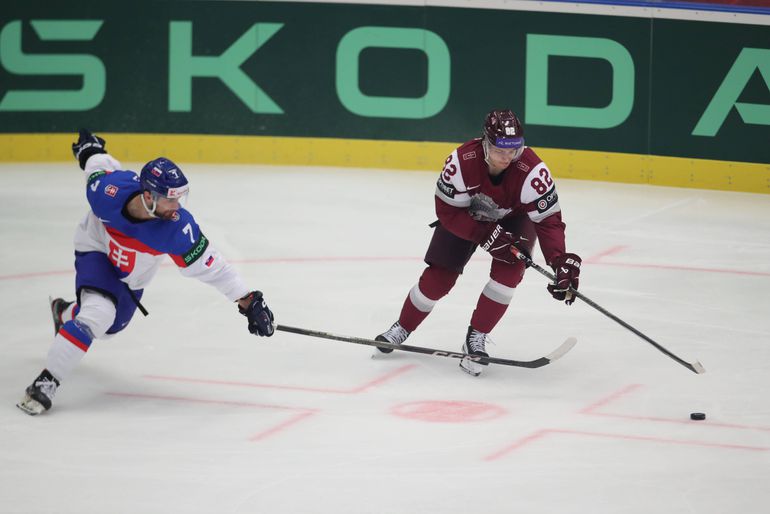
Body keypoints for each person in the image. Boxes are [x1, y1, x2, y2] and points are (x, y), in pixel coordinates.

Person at [17, 130, 275, 415]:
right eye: (170, 200)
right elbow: (99, 169)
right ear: (148, 195)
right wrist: (90, 152)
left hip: (131, 277)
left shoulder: (177, 229)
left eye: (180, 199)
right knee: (99, 315)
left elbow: (213, 267)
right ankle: (46, 382)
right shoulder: (108, 192)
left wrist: (248, 300)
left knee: (109, 327)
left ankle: (64, 313)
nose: (176, 207)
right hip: (95, 248)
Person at [374, 109, 581, 376]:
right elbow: (447, 212)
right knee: (439, 278)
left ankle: (476, 338)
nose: (507, 158)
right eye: (499, 151)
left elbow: (549, 221)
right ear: (485, 143)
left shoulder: (533, 171)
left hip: (514, 218)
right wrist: (486, 235)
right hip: (465, 217)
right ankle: (402, 327)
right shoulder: (461, 162)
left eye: (513, 150)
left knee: (510, 273)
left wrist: (559, 260)